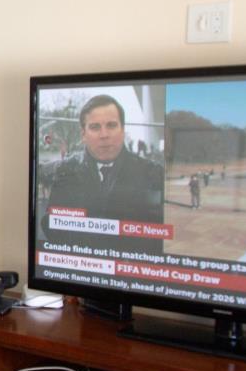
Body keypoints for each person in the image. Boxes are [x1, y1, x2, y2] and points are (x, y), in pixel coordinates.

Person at [38, 94, 166, 254]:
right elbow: (51, 226)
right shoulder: (65, 170)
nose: (104, 135)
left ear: (122, 130)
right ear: (83, 134)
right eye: (95, 127)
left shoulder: (153, 174)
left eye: (111, 125)